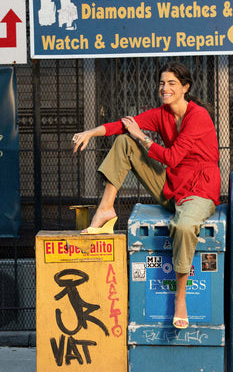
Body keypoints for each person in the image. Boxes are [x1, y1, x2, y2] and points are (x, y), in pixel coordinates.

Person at [72, 62, 221, 329]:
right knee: (124, 141)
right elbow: (124, 125)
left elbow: (173, 157)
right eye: (162, 83)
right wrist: (90, 133)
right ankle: (106, 209)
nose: (165, 88)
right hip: (172, 185)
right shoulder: (162, 114)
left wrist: (143, 138)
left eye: (172, 83)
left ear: (185, 88)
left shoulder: (198, 116)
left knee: (186, 226)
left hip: (199, 190)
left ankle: (181, 298)